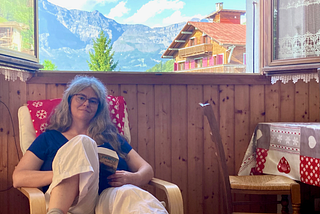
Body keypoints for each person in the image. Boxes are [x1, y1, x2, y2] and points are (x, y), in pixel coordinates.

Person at [12, 75, 168, 214]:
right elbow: (19, 177)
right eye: (81, 97)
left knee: (131, 194)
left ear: (98, 108)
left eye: (93, 101)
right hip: (71, 203)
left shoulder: (112, 137)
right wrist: (65, 173)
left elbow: (147, 169)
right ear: (70, 100)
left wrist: (132, 178)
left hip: (108, 199)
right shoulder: (49, 138)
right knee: (83, 142)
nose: (87, 103)